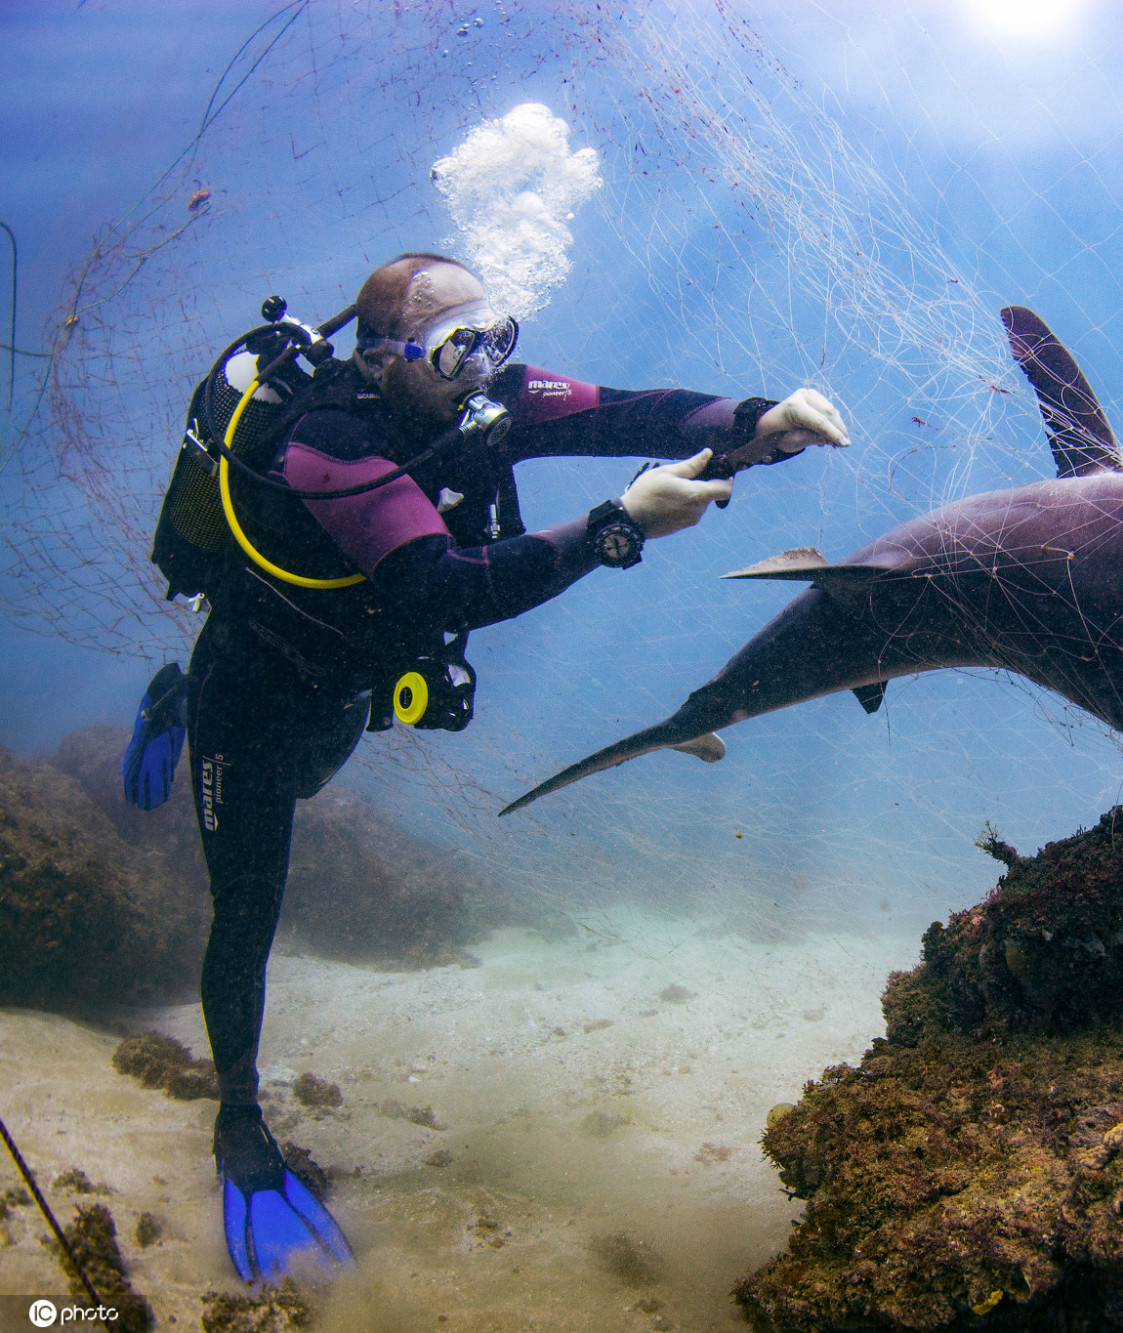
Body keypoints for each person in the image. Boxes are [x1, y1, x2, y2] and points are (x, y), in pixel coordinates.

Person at [129, 252, 848, 1285]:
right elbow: (441, 590)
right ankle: (240, 1127)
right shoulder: (332, 442)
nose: (489, 366)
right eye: (457, 347)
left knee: (305, 782)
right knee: (247, 901)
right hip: (256, 681)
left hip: (341, 688)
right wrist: (616, 526)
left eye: (496, 334)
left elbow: (625, 412)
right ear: (383, 360)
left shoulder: (487, 392)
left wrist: (757, 421)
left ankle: (175, 704)